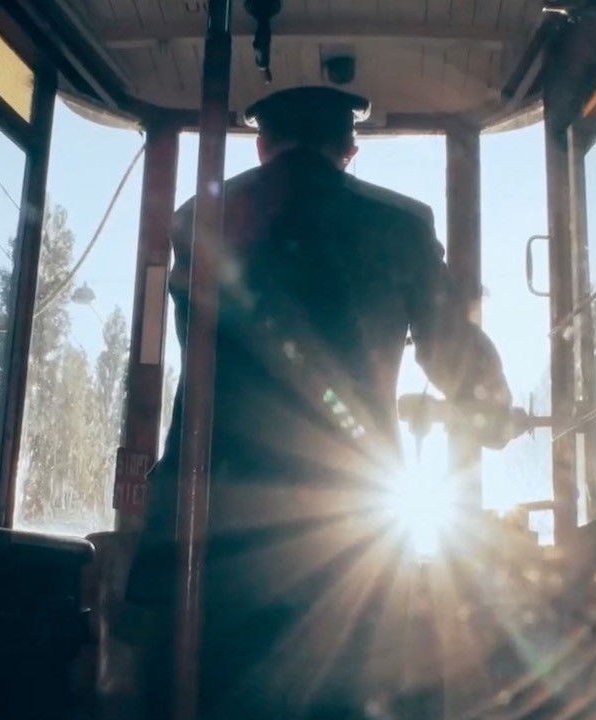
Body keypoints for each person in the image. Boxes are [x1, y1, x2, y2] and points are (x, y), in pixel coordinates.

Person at [126, 86, 519, 719]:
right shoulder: (401, 224)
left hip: (213, 514)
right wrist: (493, 412)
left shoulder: (201, 217)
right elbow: (450, 347)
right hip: (346, 519)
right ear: (349, 149)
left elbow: (196, 346)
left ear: (262, 145)